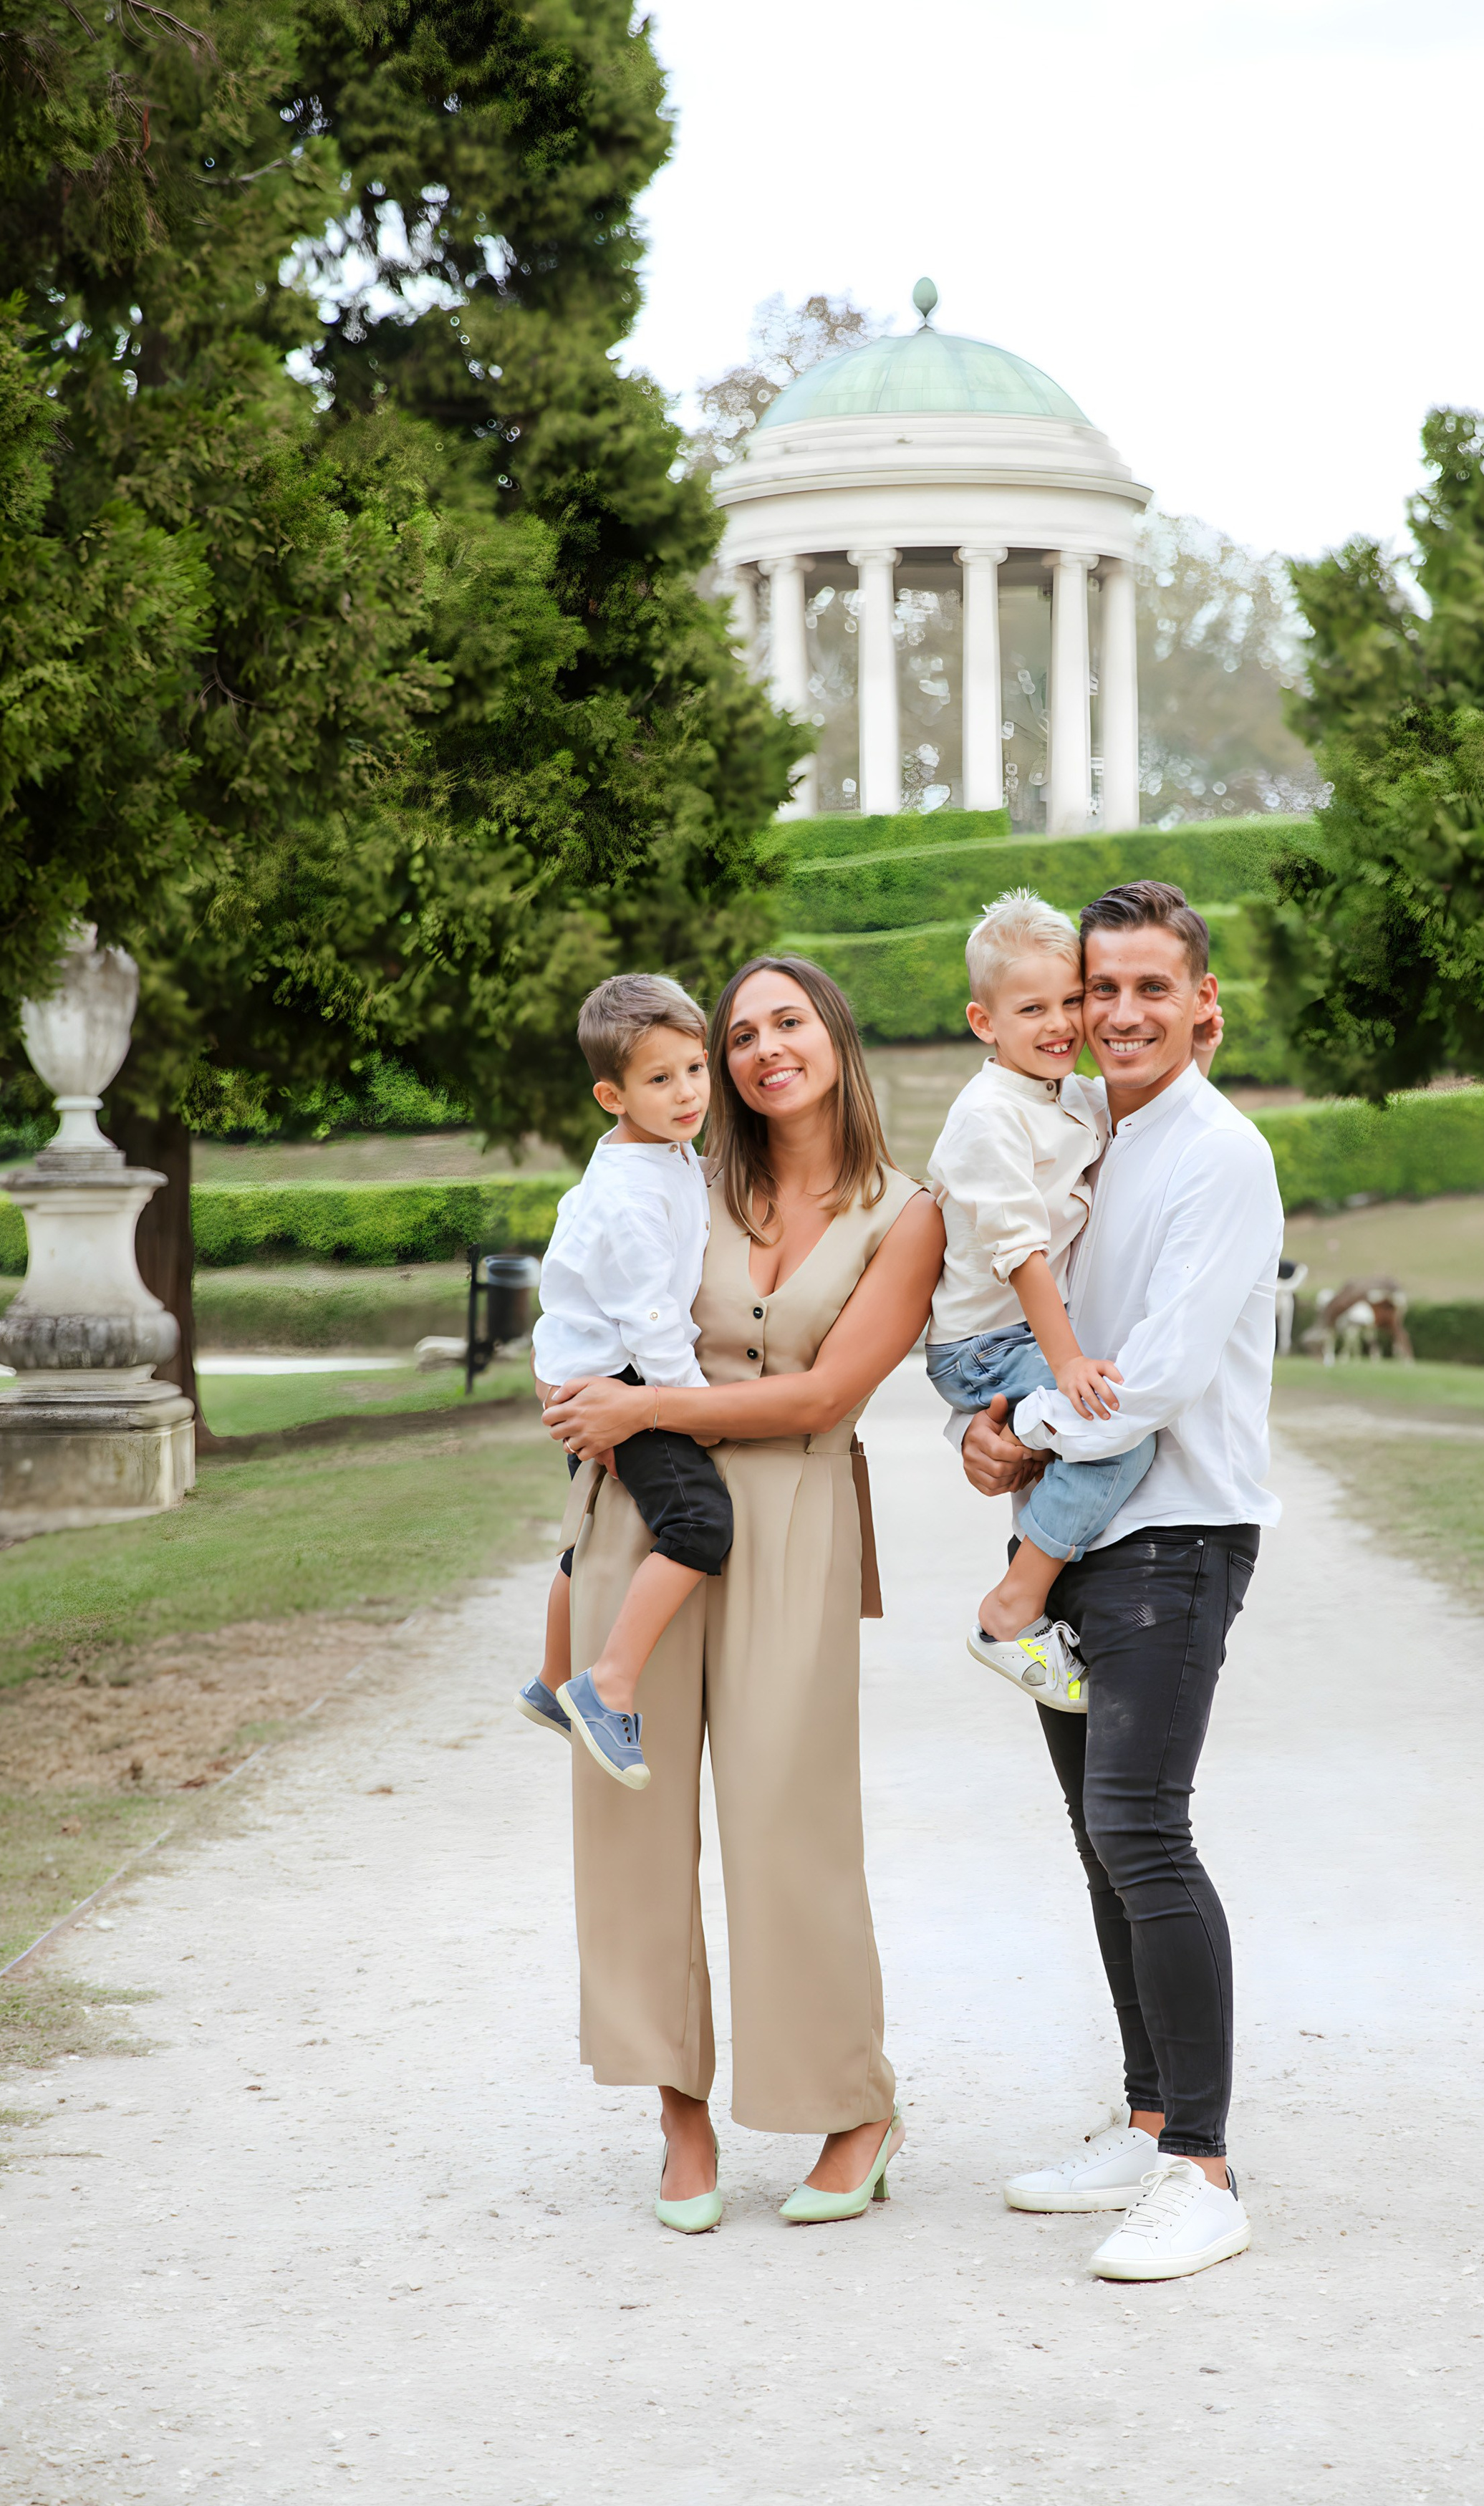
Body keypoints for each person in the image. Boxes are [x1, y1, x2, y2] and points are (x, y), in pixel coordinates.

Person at [542, 956, 946, 2237]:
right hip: (644, 1517)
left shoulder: (907, 1209)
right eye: (739, 1033)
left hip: (797, 1511)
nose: (764, 1049)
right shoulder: (671, 1177)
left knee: (790, 1817)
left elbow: (829, 1395)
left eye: (788, 1022)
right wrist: (591, 1411)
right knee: (632, 1827)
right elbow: (589, 1316)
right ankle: (678, 2110)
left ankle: (853, 2105)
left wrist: (646, 1401)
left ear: (835, 1031)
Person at [953, 879, 1283, 2285]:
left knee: (1142, 1830)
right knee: (1101, 1839)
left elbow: (1144, 1377)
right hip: (1090, 1536)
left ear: (1201, 1001)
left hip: (1179, 1535)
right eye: (1101, 990)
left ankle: (1200, 2168)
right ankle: (1146, 2116)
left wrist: (1012, 1430)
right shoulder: (1094, 1134)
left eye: (1154, 986)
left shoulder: (1220, 1155)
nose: (1122, 1012)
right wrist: (1002, 1422)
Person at [922, 888, 1152, 1712]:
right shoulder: (987, 1115)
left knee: (1095, 1426)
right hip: (986, 1340)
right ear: (984, 1022)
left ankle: (1038, 1556)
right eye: (1031, 1009)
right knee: (1116, 1431)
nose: (1059, 1024)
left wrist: (1193, 1056)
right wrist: (1066, 1363)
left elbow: (1142, 1114)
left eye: (1068, 1001)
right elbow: (1019, 1254)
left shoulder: (1065, 1092)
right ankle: (1011, 1608)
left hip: (1022, 1331)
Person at [515, 974, 735, 1792]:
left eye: (694, 1069)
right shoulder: (627, 1201)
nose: (686, 1093)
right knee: (699, 1522)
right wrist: (697, 1414)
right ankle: (602, 1684)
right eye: (659, 1079)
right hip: (616, 1376)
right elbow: (652, 1322)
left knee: (593, 1534)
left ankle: (548, 1678)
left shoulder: (661, 1155)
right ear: (611, 1093)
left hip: (589, 1368)